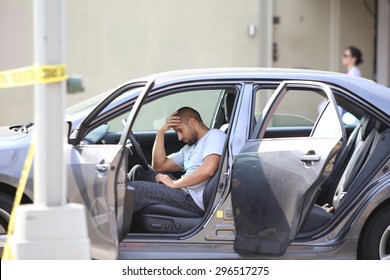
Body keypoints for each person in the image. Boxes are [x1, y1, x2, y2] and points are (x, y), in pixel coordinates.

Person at [128, 106, 227, 216]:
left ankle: (111, 227)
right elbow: (158, 165)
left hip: (193, 201)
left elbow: (208, 169)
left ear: (192, 122)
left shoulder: (215, 136)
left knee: (134, 190)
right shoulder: (189, 148)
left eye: (180, 130)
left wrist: (175, 183)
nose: (179, 137)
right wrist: (160, 132)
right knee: (139, 171)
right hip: (183, 190)